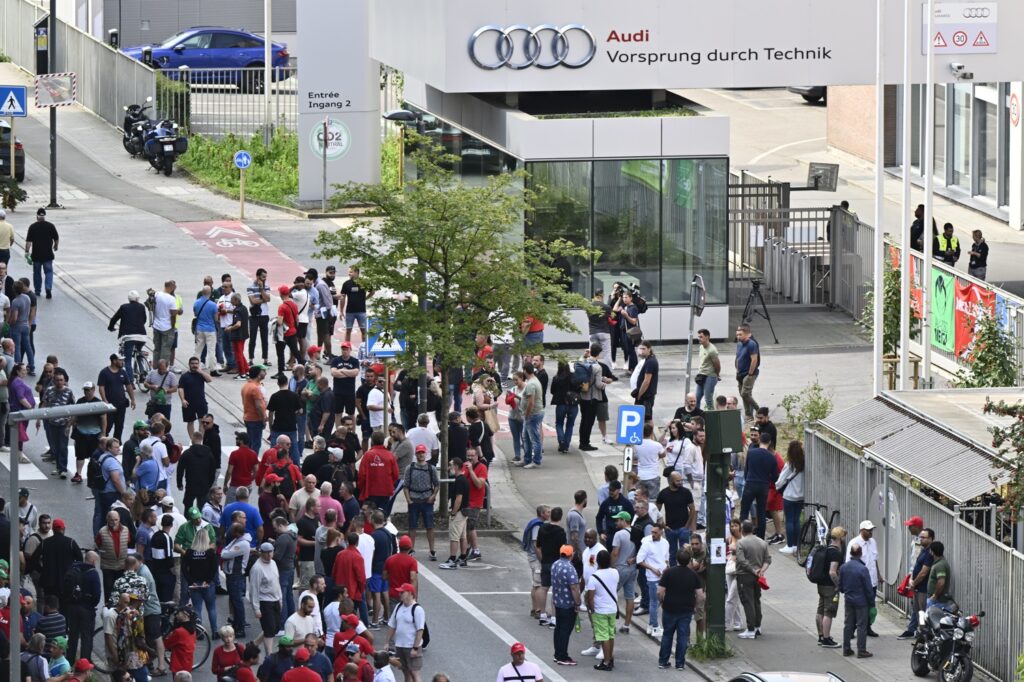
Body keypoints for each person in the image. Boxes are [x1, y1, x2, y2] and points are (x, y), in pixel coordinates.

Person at [657, 546, 700, 670]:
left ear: (676, 559)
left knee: (667, 634)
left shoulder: (668, 572)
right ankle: (680, 663)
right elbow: (701, 595)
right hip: (686, 610)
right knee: (682, 636)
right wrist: (695, 606)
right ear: (688, 560)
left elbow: (660, 592)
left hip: (669, 608)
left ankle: (663, 661)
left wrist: (662, 602)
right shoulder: (693, 575)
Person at [735, 519, 771, 639]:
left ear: (742, 530)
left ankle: (750, 629)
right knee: (756, 600)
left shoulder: (741, 543)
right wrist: (761, 571)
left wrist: (752, 570)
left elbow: (741, 560)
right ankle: (757, 626)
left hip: (744, 575)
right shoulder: (762, 542)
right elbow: (768, 560)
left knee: (747, 601)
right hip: (758, 577)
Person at [584, 549, 618, 672]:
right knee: (610, 635)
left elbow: (591, 598)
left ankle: (606, 661)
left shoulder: (594, 577)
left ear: (597, 561)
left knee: (603, 637)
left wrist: (592, 611)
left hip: (600, 610)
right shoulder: (615, 572)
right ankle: (611, 658)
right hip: (613, 609)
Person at [846, 520, 882, 636]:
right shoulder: (854, 543)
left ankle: (867, 627)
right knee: (858, 607)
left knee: (870, 605)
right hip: (859, 582)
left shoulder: (873, 542)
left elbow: (874, 559)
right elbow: (849, 563)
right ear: (862, 531)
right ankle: (851, 630)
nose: (871, 532)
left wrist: (879, 574)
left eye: (871, 530)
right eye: (868, 530)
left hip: (872, 580)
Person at [740, 431, 778, 540]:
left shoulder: (751, 452)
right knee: (761, 512)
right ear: (769, 442)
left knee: (744, 509)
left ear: (760, 440)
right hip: (763, 486)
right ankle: (761, 538)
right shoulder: (772, 458)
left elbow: (746, 470)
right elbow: (775, 477)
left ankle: (743, 535)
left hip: (750, 483)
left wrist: (748, 479)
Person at [839, 543, 874, 658]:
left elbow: (841, 586)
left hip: (849, 600)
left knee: (848, 624)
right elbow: (868, 588)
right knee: (861, 626)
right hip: (861, 601)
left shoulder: (844, 567)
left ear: (850, 554)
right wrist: (871, 603)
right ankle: (861, 650)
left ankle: (846, 648)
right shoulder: (863, 569)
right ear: (860, 553)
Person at [813, 526, 846, 648]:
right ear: (840, 538)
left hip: (821, 584)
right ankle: (826, 639)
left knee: (820, 610)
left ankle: (821, 636)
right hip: (830, 587)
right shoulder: (835, 553)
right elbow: (832, 572)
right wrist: (838, 585)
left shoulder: (826, 549)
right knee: (829, 612)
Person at [404, 444, 438, 560]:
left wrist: (433, 496)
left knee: (430, 526)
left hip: (427, 500)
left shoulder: (431, 468)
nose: (421, 455)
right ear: (416, 454)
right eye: (419, 453)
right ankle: (411, 549)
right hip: (414, 500)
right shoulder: (410, 468)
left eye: (422, 452)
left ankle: (432, 550)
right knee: (412, 526)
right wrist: (409, 500)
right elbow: (406, 486)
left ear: (426, 454)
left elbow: (437, 484)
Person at [900, 526, 934, 640]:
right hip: (918, 588)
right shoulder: (923, 550)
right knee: (918, 612)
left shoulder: (930, 553)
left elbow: (924, 572)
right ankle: (920, 633)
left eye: (924, 537)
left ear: (931, 539)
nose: (921, 539)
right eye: (921, 537)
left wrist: (914, 582)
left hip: (923, 589)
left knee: (923, 613)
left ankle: (925, 635)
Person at [386, 583, 424, 682]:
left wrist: (415, 648)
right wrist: (387, 642)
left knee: (414, 673)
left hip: (411, 646)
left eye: (402, 592)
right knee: (405, 672)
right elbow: (392, 625)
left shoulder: (417, 609)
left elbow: (420, 630)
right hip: (400, 646)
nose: (400, 594)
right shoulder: (398, 606)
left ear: (411, 594)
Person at [249, 542, 283, 655]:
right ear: (261, 553)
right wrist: (256, 608)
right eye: (266, 553)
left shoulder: (273, 563)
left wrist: (280, 599)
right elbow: (254, 589)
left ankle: (254, 644)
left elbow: (277, 582)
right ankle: (269, 654)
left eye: (271, 552)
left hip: (275, 599)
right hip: (265, 601)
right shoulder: (257, 568)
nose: (269, 555)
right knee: (269, 630)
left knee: (276, 627)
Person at [439, 458, 469, 570]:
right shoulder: (463, 479)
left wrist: (453, 513)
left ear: (456, 466)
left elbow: (458, 499)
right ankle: (463, 557)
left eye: (451, 465)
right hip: (464, 511)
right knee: (462, 536)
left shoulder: (460, 480)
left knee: (454, 536)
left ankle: (452, 559)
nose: (449, 468)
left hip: (459, 512)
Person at [777, 440, 805, 555]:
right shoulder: (804, 464)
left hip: (789, 496)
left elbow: (780, 481)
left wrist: (778, 486)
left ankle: (789, 545)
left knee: (789, 520)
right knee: (796, 520)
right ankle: (796, 545)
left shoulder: (790, 464)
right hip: (800, 496)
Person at [26, 207, 59, 298]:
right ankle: (48, 287)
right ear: (44, 216)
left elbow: (29, 242)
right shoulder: (50, 226)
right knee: (49, 272)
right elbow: (56, 238)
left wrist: (26, 251)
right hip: (48, 255)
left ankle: (37, 291)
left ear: (37, 216)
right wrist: (55, 246)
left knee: (37, 273)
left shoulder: (32, 227)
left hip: (36, 255)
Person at [734, 323, 760, 421]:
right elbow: (737, 357)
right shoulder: (739, 344)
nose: (738, 336)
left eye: (740, 334)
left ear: (747, 334)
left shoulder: (752, 344)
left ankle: (759, 410)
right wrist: (737, 369)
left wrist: (750, 374)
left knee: (745, 393)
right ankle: (748, 415)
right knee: (743, 394)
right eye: (737, 334)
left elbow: (754, 360)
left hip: (749, 374)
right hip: (740, 373)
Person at [694, 329, 720, 410]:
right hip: (701, 375)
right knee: (696, 398)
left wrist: (717, 375)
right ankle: (697, 417)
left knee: (708, 398)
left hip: (710, 376)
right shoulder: (701, 347)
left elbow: (717, 365)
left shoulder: (712, 350)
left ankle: (711, 416)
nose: (699, 338)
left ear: (707, 337)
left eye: (701, 337)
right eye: (698, 337)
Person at [632, 341, 659, 423]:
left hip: (646, 396)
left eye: (644, 349)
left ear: (649, 349)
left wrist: (639, 395)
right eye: (640, 349)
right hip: (646, 395)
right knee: (645, 418)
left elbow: (646, 381)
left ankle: (649, 435)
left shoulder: (650, 362)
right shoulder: (648, 360)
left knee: (647, 419)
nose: (641, 351)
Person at [926, 541, 953, 610]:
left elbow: (941, 583)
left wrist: (935, 595)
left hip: (937, 600)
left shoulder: (940, 565)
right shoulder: (938, 563)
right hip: (935, 599)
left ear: (932, 552)